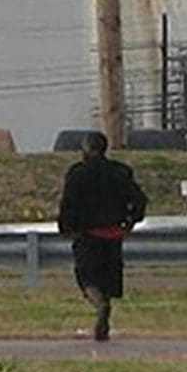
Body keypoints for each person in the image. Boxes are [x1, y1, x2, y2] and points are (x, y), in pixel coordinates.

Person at [57, 131, 148, 341]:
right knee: (108, 276)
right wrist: (131, 221)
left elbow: (69, 203)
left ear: (88, 149)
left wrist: (67, 227)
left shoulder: (78, 173)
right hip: (113, 233)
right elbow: (139, 200)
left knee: (88, 277)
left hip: (87, 233)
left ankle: (100, 305)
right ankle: (104, 315)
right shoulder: (121, 172)